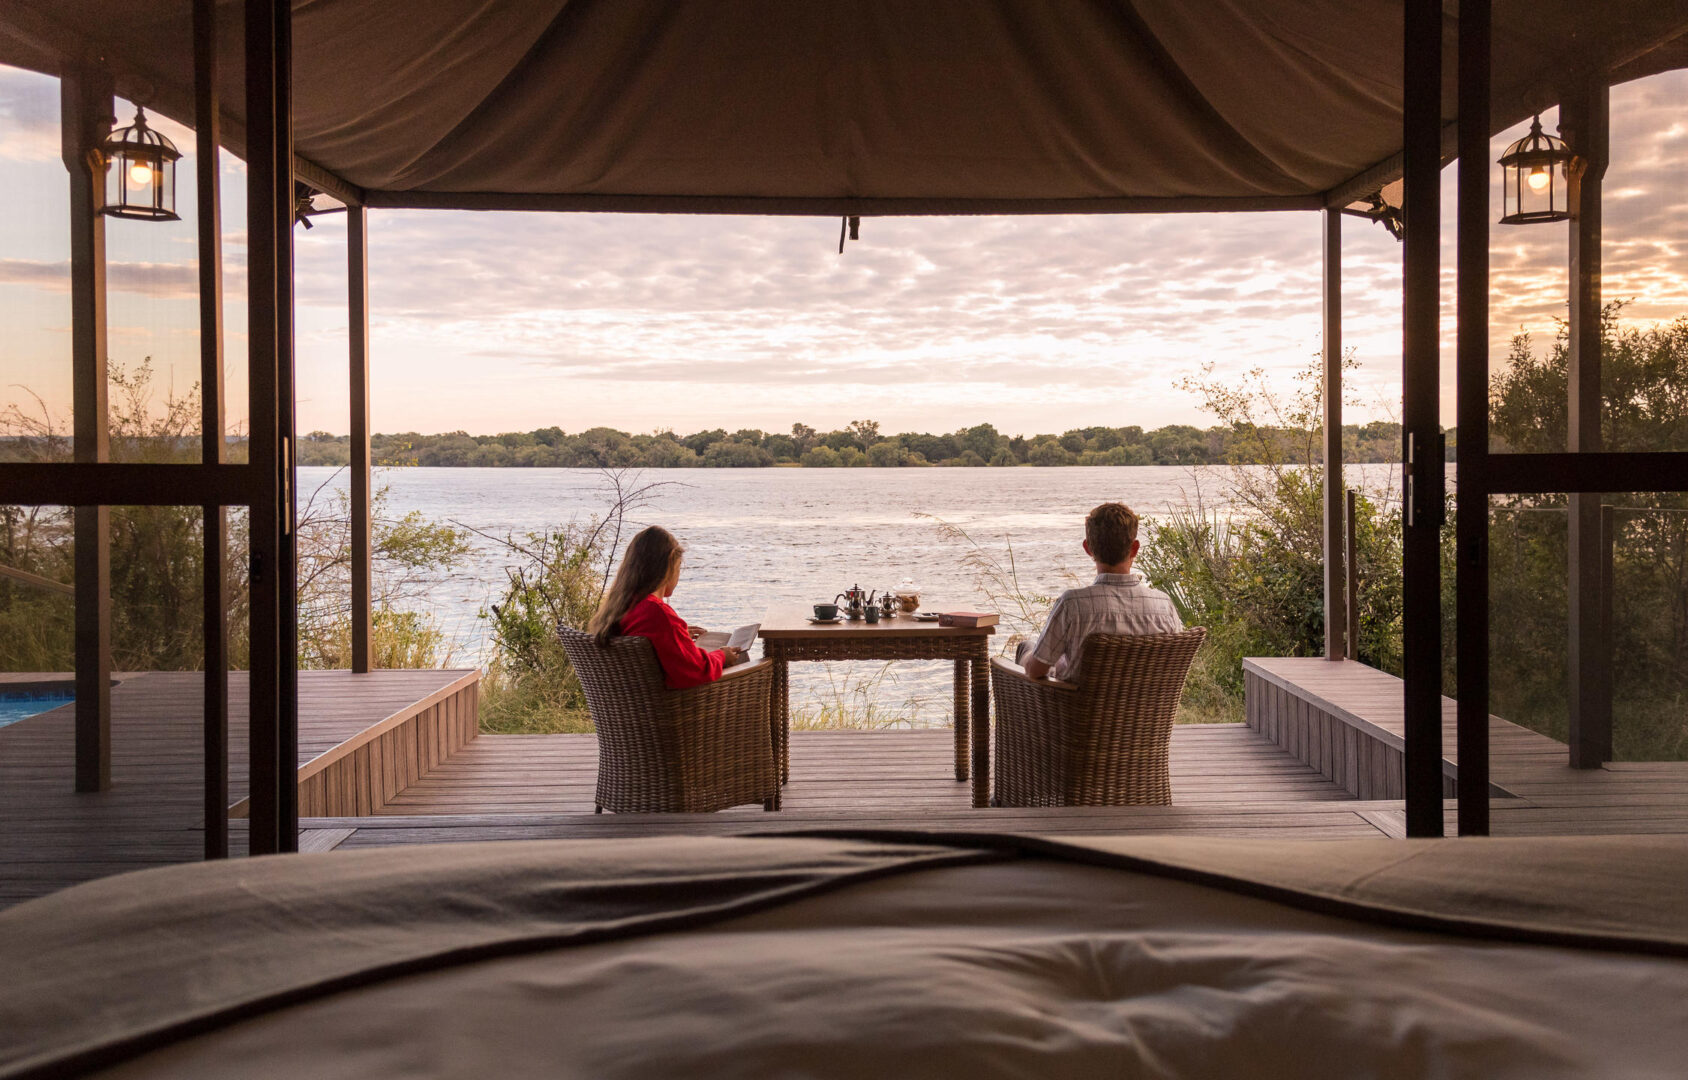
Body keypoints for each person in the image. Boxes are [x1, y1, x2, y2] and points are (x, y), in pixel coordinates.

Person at [1017, 502, 1183, 682]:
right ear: (1134, 548)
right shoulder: (1164, 606)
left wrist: (1026, 658)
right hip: (1149, 700)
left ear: (1088, 548)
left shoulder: (1072, 604)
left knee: (1026, 647)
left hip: (1078, 701)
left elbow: (1035, 670)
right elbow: (1176, 664)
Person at [587, 525, 747, 690]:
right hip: (672, 704)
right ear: (669, 565)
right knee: (741, 657)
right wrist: (722, 655)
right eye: (679, 567)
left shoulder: (623, 605)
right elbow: (697, 670)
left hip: (631, 700)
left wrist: (678, 634)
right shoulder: (656, 613)